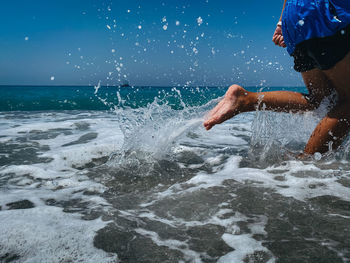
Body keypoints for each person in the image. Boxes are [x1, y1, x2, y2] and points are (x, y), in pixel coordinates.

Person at [204, 0, 350, 155]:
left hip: (295, 18)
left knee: (321, 100)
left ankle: (245, 99)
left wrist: (281, 24)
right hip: (327, 14)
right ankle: (305, 166)